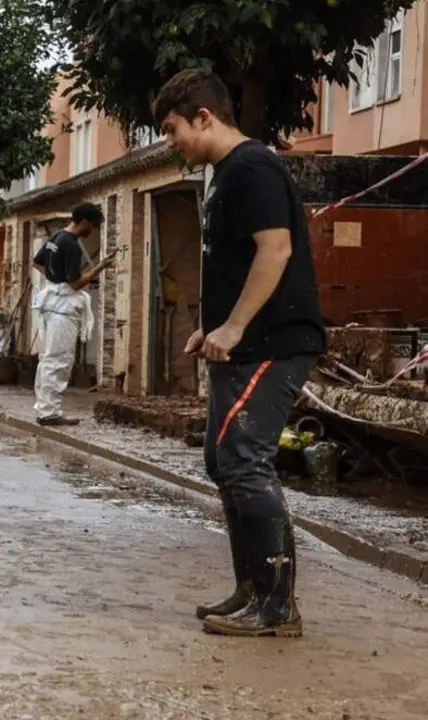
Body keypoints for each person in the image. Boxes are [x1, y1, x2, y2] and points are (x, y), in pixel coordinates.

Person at [155, 69, 324, 638]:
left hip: (273, 341)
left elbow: (274, 252)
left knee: (244, 459)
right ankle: (251, 589)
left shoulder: (251, 167)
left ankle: (278, 608)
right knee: (221, 461)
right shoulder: (223, 175)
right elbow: (232, 262)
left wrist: (235, 325)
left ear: (204, 116)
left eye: (173, 128)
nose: (170, 141)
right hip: (238, 343)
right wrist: (212, 328)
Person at [30, 202, 114, 427]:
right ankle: (50, 413)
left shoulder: (56, 237)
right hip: (62, 309)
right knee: (59, 360)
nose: (92, 231)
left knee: (47, 359)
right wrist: (100, 267)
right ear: (84, 222)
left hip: (50, 304)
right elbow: (75, 283)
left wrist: (54, 281)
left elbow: (38, 263)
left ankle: (44, 408)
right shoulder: (72, 245)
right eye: (93, 226)